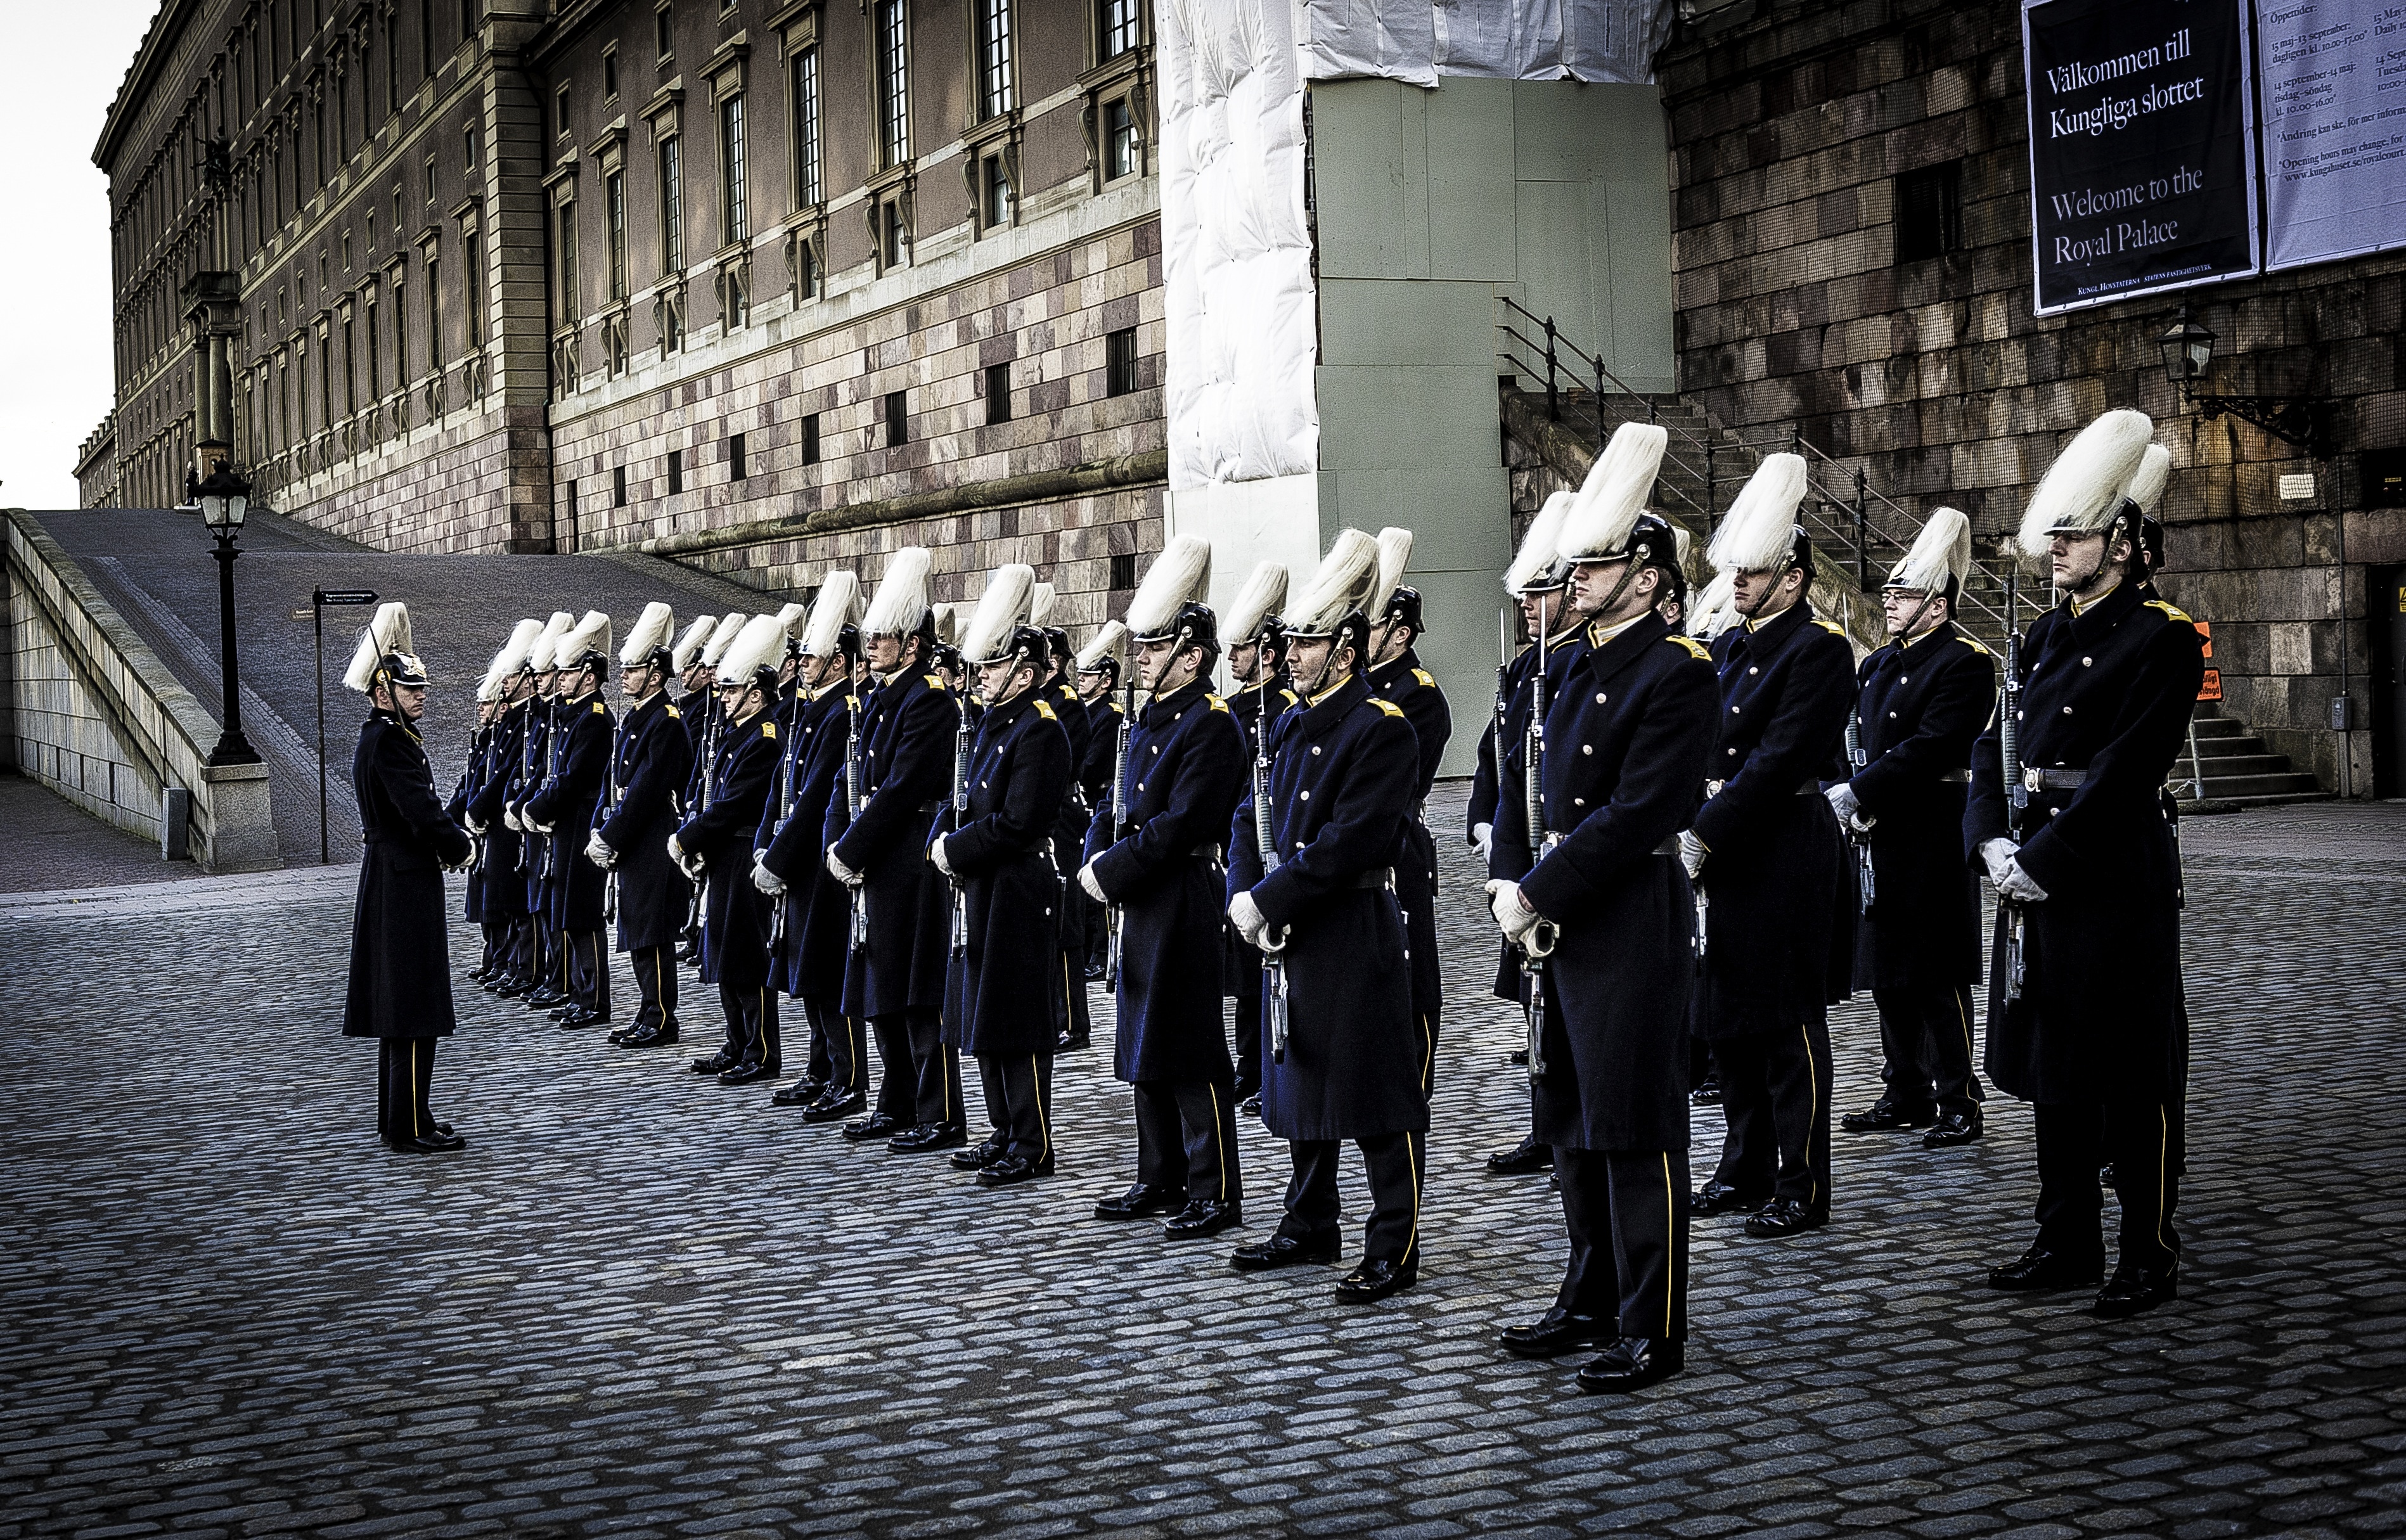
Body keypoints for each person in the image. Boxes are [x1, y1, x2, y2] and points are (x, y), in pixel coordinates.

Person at [1484, 423, 1718, 1394]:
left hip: (1626, 917)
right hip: (1556, 924)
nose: (1579, 575)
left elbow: (1643, 811)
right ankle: (1587, 1290)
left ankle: (1650, 1320)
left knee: (1634, 1122)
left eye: (1602, 561)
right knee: (1572, 1116)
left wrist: (1540, 888)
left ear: (1650, 575)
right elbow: (1521, 787)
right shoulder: (1567, 664)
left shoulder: (1679, 670)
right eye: (1577, 561)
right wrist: (1509, 880)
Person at [1968, 409, 2203, 1319]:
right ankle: (2065, 1233)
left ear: (2125, 542)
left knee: (2131, 1067)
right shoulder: (2042, 636)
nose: (2056, 545)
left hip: (2111, 879)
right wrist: (1988, 836)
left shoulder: (2164, 637)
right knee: (2055, 1059)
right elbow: (1998, 747)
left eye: (2076, 531)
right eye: (2056, 530)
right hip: (2034, 870)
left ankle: (2147, 1247)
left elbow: (2128, 770)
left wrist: (2046, 860)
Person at [1225, 529, 1428, 1304]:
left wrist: (1269, 898)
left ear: (1344, 651)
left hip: (1353, 925)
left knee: (1376, 1093)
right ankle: (1309, 1221)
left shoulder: (1381, 726)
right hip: (1295, 928)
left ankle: (1393, 1241)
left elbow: (1350, 842)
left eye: (1307, 642)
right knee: (1301, 1077)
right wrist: (1245, 893)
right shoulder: (1288, 720)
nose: (1292, 655)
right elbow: (1254, 814)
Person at [1682, 454, 1857, 1239]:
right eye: (1736, 572)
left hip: (1783, 844)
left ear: (1793, 576)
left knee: (1785, 1025)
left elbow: (1780, 758)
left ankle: (1802, 1179)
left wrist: (1702, 833)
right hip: (1725, 852)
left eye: (1754, 573)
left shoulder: (1817, 649)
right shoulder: (1725, 648)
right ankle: (1742, 1163)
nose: (1739, 584)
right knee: (1729, 1021)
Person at [1081, 537, 1249, 1239]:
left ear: (1192, 656)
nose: (1140, 660)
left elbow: (1181, 825)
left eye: (1153, 650)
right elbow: (1116, 808)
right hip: (1143, 899)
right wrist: (1097, 856)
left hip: (1182, 896)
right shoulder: (1145, 720)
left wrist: (1112, 868)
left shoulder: (1210, 724)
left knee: (1188, 1048)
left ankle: (1214, 1188)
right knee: (1141, 1044)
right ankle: (1159, 1174)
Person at [1831, 510, 1994, 1148]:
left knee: (1934, 973)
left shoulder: (1963, 661)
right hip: (1881, 834)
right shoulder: (1876, 665)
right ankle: (1904, 1089)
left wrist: (1861, 789)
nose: (1891, 605)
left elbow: (1934, 745)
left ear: (1937, 606)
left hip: (1929, 829)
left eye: (1903, 597)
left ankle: (1957, 1096)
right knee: (1886, 971)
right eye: (1890, 595)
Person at [937, 568, 1074, 1186]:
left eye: (992, 668)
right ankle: (1001, 1129)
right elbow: (968, 801)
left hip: (1019, 886)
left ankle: (1031, 1139)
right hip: (986, 888)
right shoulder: (993, 723)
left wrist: (955, 850)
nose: (981, 677)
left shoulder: (1040, 727)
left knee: (1017, 1020)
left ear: (1023, 671)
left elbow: (1017, 822)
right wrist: (944, 839)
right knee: (985, 1014)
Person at [826, 549, 964, 1152]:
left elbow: (904, 784)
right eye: (873, 635)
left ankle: (937, 1112)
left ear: (912, 646)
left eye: (885, 636)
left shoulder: (928, 699)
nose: (873, 644)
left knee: (918, 990)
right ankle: (897, 1098)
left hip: (909, 857)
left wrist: (852, 847)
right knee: (881, 983)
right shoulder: (882, 697)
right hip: (882, 858)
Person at [1470, 489, 1589, 1177]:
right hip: (1519, 858)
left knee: (1562, 1002)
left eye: (1537, 592)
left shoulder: (1572, 662)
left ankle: (1563, 1123)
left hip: (1560, 862)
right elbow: (1499, 757)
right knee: (1533, 1002)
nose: (1526, 606)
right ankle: (1545, 1123)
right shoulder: (1524, 668)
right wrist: (1486, 826)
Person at [340, 602, 474, 1154]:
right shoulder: (390, 741)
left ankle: (405, 1114)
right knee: (414, 1004)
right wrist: (460, 845)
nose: (420, 694)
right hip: (404, 878)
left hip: (395, 874)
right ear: (381, 691)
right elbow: (419, 810)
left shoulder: (388, 736)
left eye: (422, 687)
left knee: (403, 1008)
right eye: (409, 687)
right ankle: (408, 1127)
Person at [757, 575, 872, 1120]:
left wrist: (780, 857)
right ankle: (820, 1066)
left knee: (827, 974)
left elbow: (819, 798)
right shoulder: (811, 708)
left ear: (841, 663)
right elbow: (785, 789)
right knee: (804, 969)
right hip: (797, 862)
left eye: (816, 657)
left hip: (819, 860)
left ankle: (847, 1077)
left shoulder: (843, 712)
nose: (803, 663)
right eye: (803, 656)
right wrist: (766, 848)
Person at [674, 615, 787, 1086]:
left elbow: (734, 804)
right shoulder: (737, 734)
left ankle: (761, 1050)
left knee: (746, 957)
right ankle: (736, 1040)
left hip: (742, 852)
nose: (721, 698)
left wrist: (688, 837)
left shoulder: (763, 738)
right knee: (722, 951)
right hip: (723, 856)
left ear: (755, 695)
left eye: (730, 690)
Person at [1363, 529, 1454, 1094]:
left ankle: (1411, 1084)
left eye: (1370, 626)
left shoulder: (1416, 694)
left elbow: (1399, 786)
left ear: (1398, 634)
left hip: (1398, 849)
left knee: (1412, 977)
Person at [591, 603, 694, 1050]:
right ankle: (647, 1009)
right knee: (635, 928)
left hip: (652, 835)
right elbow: (616, 781)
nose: (626, 676)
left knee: (651, 932)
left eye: (633, 669)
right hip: (634, 836)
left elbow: (648, 788)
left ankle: (661, 1017)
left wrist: (612, 835)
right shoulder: (637, 716)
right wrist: (606, 828)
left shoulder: (665, 721)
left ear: (655, 675)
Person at [1219, 561, 1296, 1112]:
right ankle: (1250, 1065)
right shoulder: (1232, 709)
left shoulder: (1281, 708)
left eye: (1241, 650)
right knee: (1243, 976)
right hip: (1238, 847)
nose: (1232, 660)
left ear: (1266, 654)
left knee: (1263, 973)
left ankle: (1261, 1066)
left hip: (1276, 850)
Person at [525, 611, 617, 1030]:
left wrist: (537, 808)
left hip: (581, 820)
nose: (559, 679)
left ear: (589, 675)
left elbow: (576, 776)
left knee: (583, 913)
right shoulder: (573, 713)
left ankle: (595, 999)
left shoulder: (595, 716)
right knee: (567, 911)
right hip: (566, 823)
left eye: (567, 672)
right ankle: (581, 993)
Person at [466, 620, 542, 996]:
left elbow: (509, 774)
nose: (505, 684)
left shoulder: (529, 719)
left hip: (513, 819)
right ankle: (507, 962)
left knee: (517, 901)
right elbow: (485, 774)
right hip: (498, 821)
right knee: (500, 899)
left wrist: (485, 808)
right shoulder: (512, 721)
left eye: (512, 677)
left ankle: (524, 967)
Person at [1069, 621, 1128, 986]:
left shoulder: (1111, 713)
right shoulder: (1088, 710)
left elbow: (1091, 764)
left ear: (1105, 680)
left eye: (1089, 674)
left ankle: (1100, 952)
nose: (1082, 679)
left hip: (1097, 796)